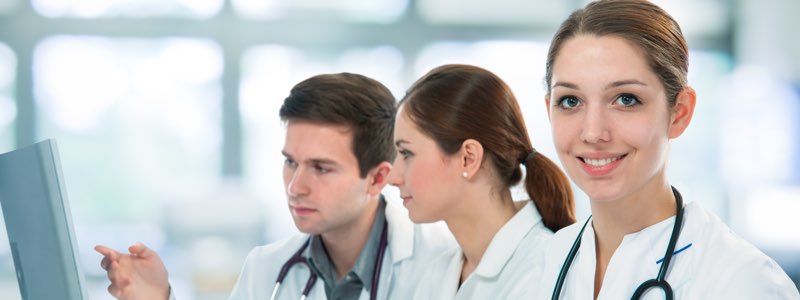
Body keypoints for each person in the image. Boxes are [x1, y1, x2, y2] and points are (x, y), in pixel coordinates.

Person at [95, 72, 457, 300]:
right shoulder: (267, 270)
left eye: (321, 168)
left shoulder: (442, 265)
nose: (295, 186)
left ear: (378, 178)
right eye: (290, 162)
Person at [536, 0, 800, 299]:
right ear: (549, 110)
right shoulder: (545, 264)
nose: (594, 132)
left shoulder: (742, 282)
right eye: (571, 101)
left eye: (625, 99)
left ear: (680, 113)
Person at [387, 63, 576, 299]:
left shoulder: (546, 274)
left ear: (468, 158)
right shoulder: (436, 273)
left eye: (406, 154)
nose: (392, 177)